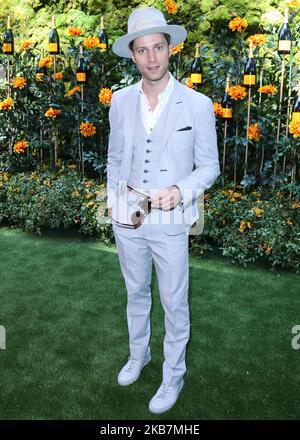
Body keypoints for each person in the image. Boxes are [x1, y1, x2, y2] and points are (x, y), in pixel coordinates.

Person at [106, 6, 220, 414]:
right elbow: (114, 159)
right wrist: (113, 205)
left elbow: (209, 166)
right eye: (142, 49)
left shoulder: (197, 104)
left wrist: (181, 189)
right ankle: (140, 356)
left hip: (172, 221)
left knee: (174, 301)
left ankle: (174, 375)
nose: (151, 57)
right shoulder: (119, 102)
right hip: (127, 220)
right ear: (133, 55)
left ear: (170, 49)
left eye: (158, 47)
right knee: (135, 293)